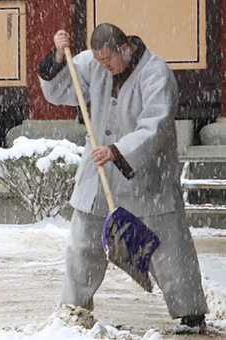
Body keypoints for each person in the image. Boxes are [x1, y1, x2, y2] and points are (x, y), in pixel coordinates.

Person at [37, 23, 208, 334]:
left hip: (145, 174)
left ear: (125, 49)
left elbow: (155, 124)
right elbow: (64, 90)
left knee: (167, 245)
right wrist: (58, 59)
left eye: (109, 60)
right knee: (83, 240)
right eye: (99, 61)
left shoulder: (156, 72)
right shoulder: (95, 62)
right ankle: (74, 308)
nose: (104, 66)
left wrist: (118, 150)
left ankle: (190, 312)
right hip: (99, 170)